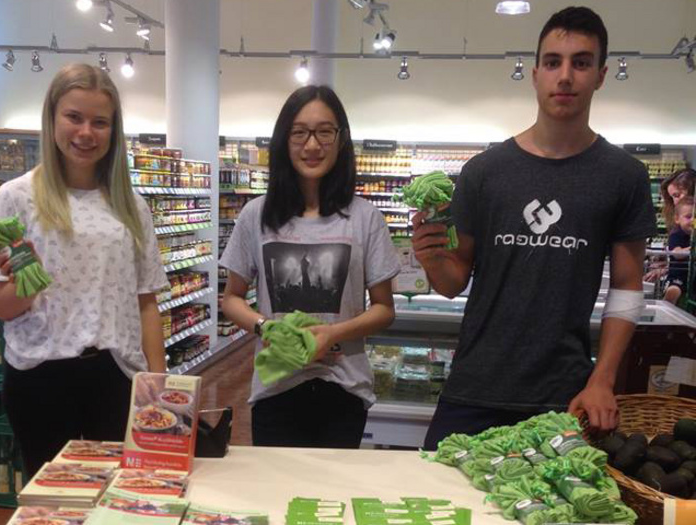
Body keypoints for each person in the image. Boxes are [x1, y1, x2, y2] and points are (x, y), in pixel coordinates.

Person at [412, 7, 657, 450]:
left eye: (580, 63)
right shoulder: (484, 172)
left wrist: (602, 379)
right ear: (534, 72)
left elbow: (627, 286)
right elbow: (453, 282)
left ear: (600, 75)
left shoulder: (624, 176)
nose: (565, 76)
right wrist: (431, 257)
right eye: (553, 62)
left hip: (565, 395)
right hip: (474, 387)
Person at [0, 63, 168, 478]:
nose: (86, 132)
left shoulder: (131, 206)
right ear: (52, 119)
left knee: (123, 496)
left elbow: (146, 301)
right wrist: (25, 282)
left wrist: (158, 380)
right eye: (74, 117)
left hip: (117, 374)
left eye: (99, 122)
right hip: (40, 375)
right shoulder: (15, 198)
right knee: (52, 504)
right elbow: (2, 306)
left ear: (113, 130)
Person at [219, 85, 400, 448]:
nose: (312, 145)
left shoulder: (365, 217)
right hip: (276, 387)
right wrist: (265, 327)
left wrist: (332, 334)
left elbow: (384, 309)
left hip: (345, 388)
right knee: (276, 496)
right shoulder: (257, 214)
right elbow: (232, 299)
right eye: (299, 132)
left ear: (341, 139)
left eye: (324, 131)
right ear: (284, 140)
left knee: (336, 499)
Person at [663, 196, 693, 305]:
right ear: (677, 219)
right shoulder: (677, 234)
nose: (693, 221)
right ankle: (667, 311)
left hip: (693, 276)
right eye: (688, 217)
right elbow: (676, 253)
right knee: (673, 290)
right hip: (678, 276)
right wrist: (692, 250)